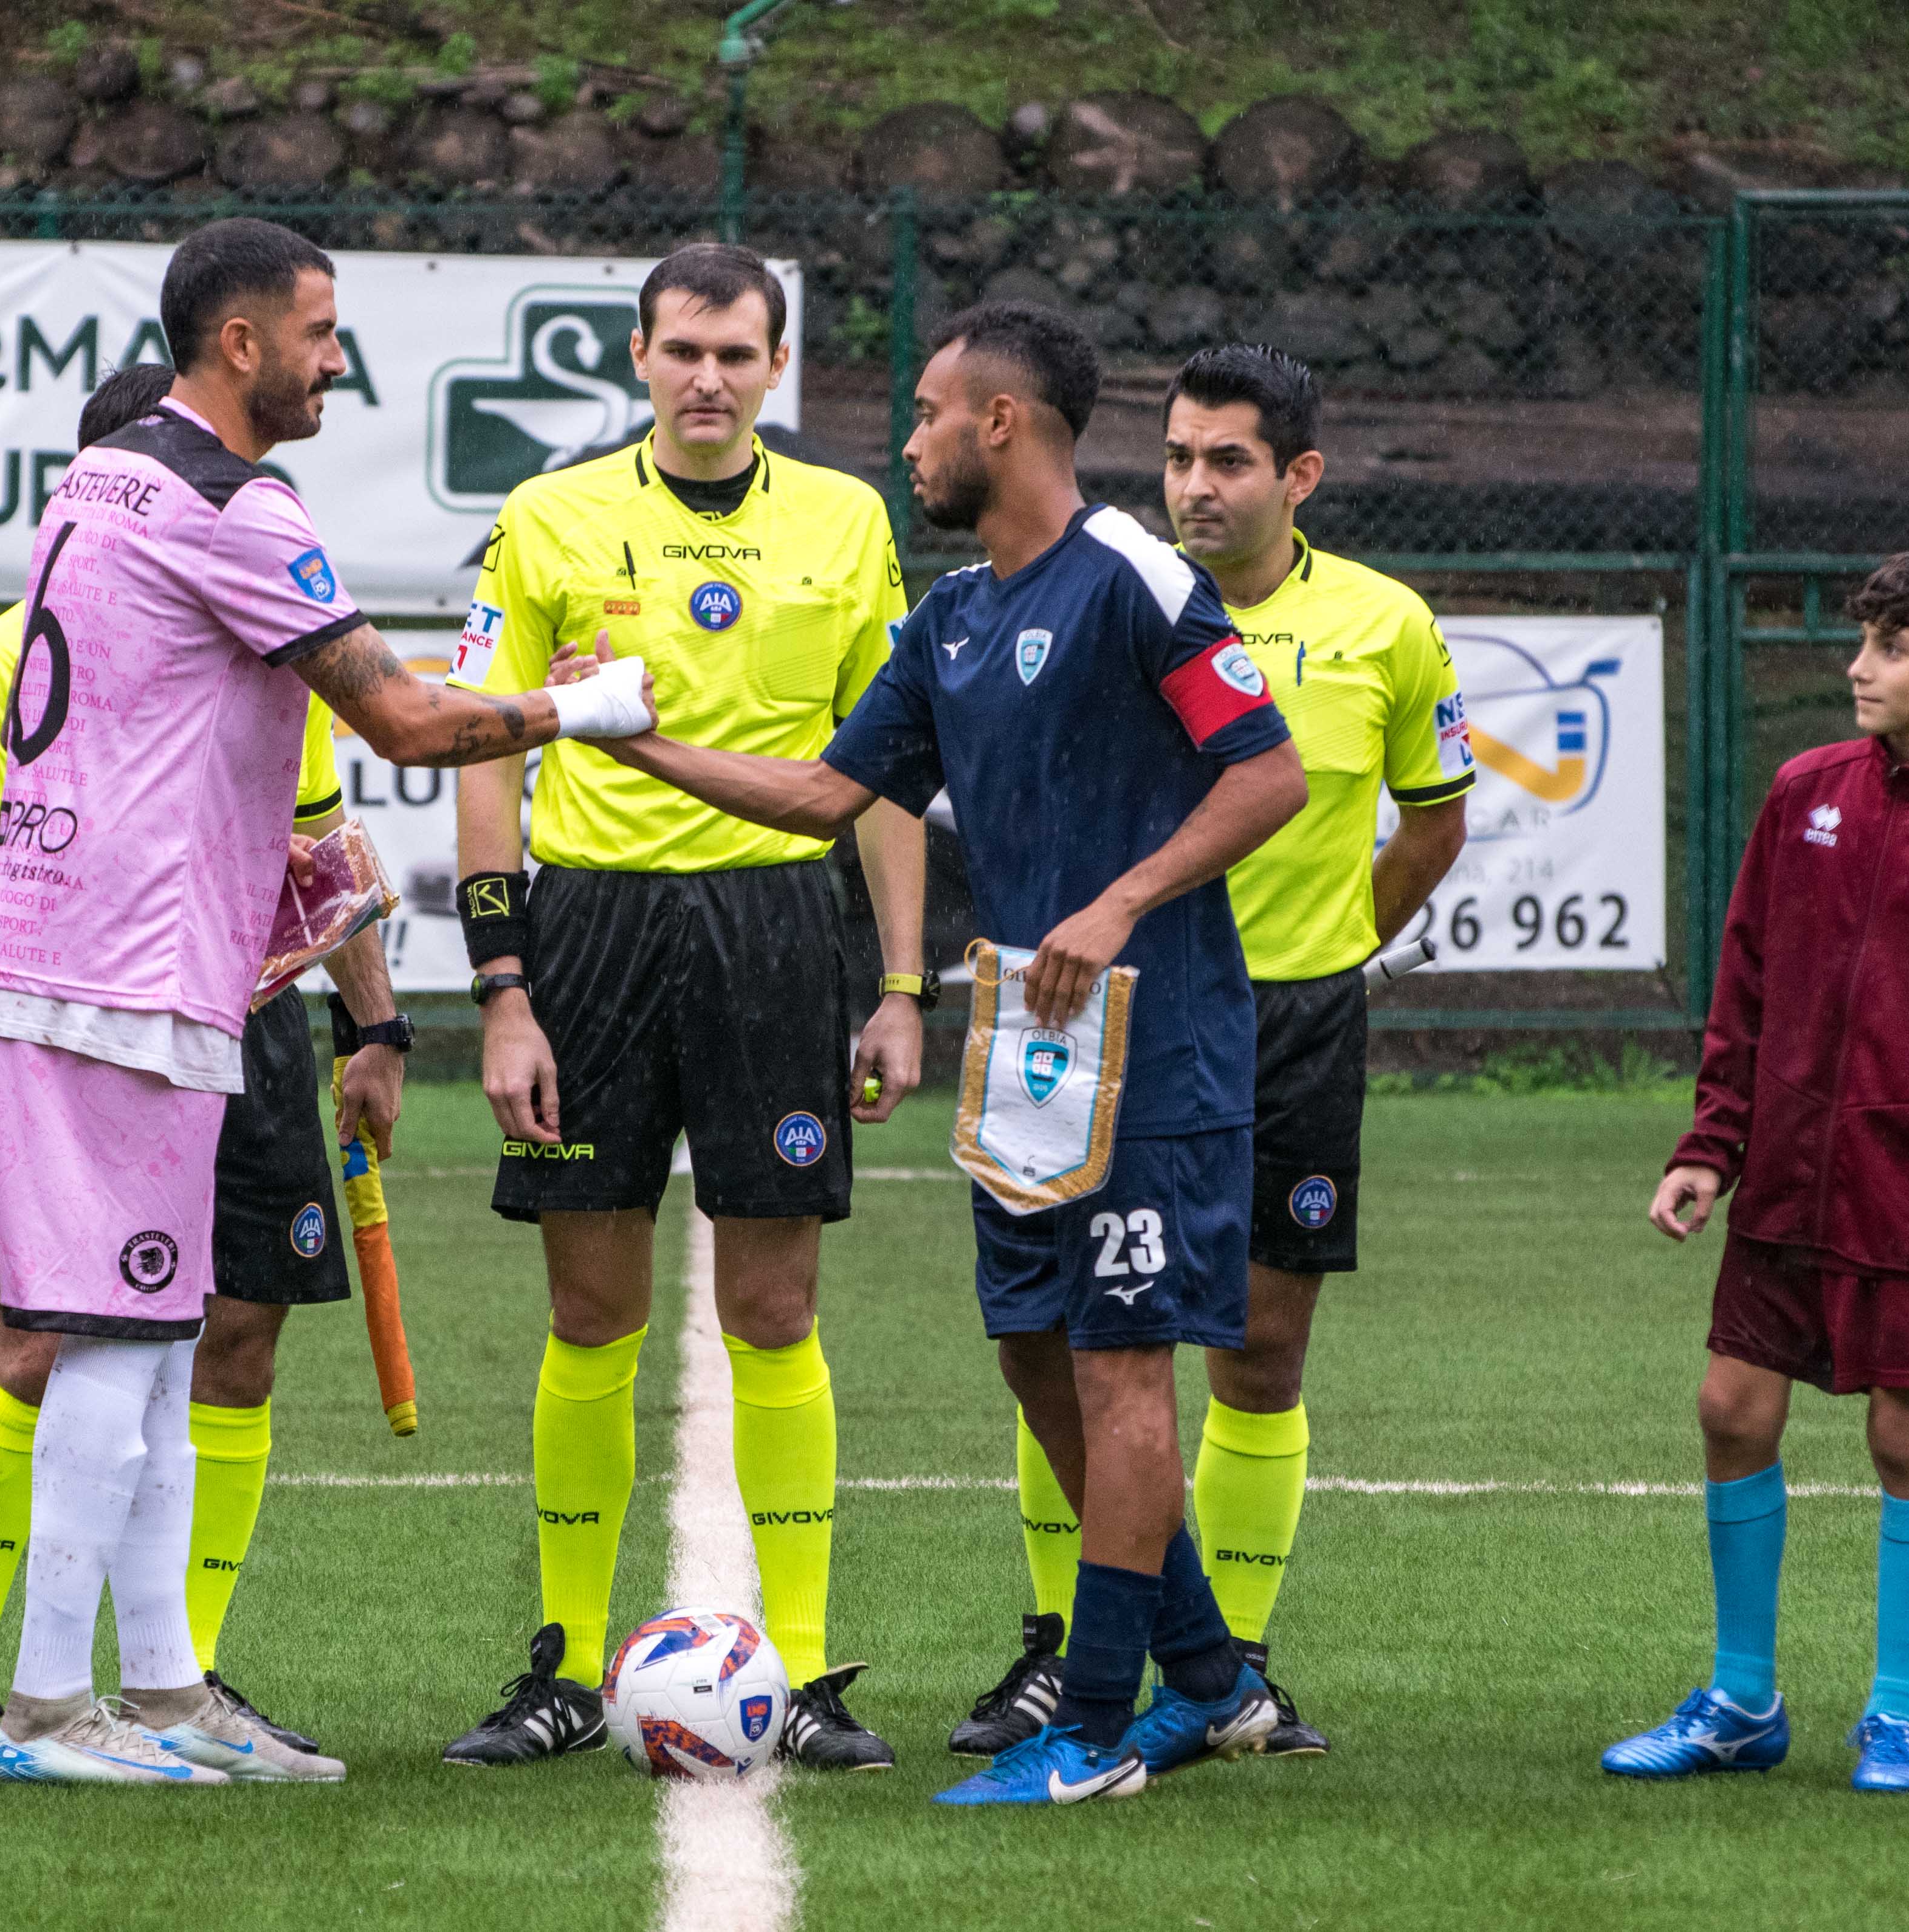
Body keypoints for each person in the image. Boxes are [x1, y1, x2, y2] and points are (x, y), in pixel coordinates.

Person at [572, 300, 1309, 1807]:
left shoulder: (1133, 583)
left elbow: (1270, 776)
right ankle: (1215, 1681)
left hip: (1153, 1055)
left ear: (999, 424)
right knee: (1036, 1357)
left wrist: (1114, 905)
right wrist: (627, 740)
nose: (903, 438)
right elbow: (819, 793)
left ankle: (1098, 1719)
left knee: (1121, 1378)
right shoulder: (955, 615)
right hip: (1026, 1061)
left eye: (921, 412)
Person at [0, 217, 651, 1788]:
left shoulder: (111, 467)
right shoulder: (231, 495)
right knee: (116, 1339)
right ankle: (50, 1708)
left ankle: (164, 1685)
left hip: (125, 958)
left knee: (148, 1339)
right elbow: (401, 722)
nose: (340, 359)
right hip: (113, 971)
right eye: (320, 331)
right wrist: (588, 704)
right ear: (242, 343)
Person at [438, 241, 925, 1773]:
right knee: (593, 1310)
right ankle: (565, 1667)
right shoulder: (546, 517)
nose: (706, 378)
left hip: (778, 928)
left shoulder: (849, 521)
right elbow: (482, 755)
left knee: (773, 1310)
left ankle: (802, 1669)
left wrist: (900, 984)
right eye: (680, 351)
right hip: (585, 930)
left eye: (734, 353)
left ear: (774, 368)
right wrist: (503, 989)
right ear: (637, 359)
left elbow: (886, 769)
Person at [957, 345, 1472, 1761]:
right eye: (1177, 456)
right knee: (1073, 1340)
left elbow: (1431, 820)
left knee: (1254, 1352)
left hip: (1289, 1020)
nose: (1193, 484)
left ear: (1296, 476)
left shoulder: (1385, 623)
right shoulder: (1117, 597)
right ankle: (1063, 1642)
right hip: (1116, 1018)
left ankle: (1232, 1662)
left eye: (1226, 460)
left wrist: (1329, 940)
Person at [0, 360, 410, 1764]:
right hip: (100, 1001)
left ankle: (174, 1686)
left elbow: (318, 851)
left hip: (217, 1006)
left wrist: (372, 1025)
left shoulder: (255, 633)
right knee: (62, 1337)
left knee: (205, 1337)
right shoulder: (14, 644)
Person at [1618, 543, 1909, 1795]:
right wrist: (1709, 1143)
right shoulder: (1804, 792)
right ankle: (1738, 1699)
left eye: (1891, 648)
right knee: (1729, 1409)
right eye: (1859, 642)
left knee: (1902, 1438)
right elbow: (1746, 983)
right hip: (1786, 1174)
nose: (1857, 668)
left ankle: (1893, 1715)